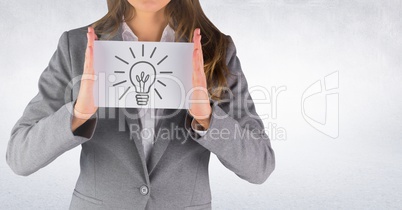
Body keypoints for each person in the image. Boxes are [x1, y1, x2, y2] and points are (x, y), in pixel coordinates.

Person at [6, 0, 275, 209]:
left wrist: (207, 119)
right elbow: (20, 157)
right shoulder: (77, 46)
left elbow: (260, 166)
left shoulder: (215, 50)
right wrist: (78, 114)